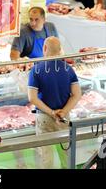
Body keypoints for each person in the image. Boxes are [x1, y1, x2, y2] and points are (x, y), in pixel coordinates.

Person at [28, 36, 81, 169]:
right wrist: (63, 111)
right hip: (63, 118)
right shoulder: (68, 69)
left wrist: (52, 112)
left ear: (45, 48)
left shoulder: (37, 69)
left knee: (46, 159)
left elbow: (32, 98)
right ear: (60, 50)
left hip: (45, 118)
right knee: (67, 158)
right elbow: (76, 94)